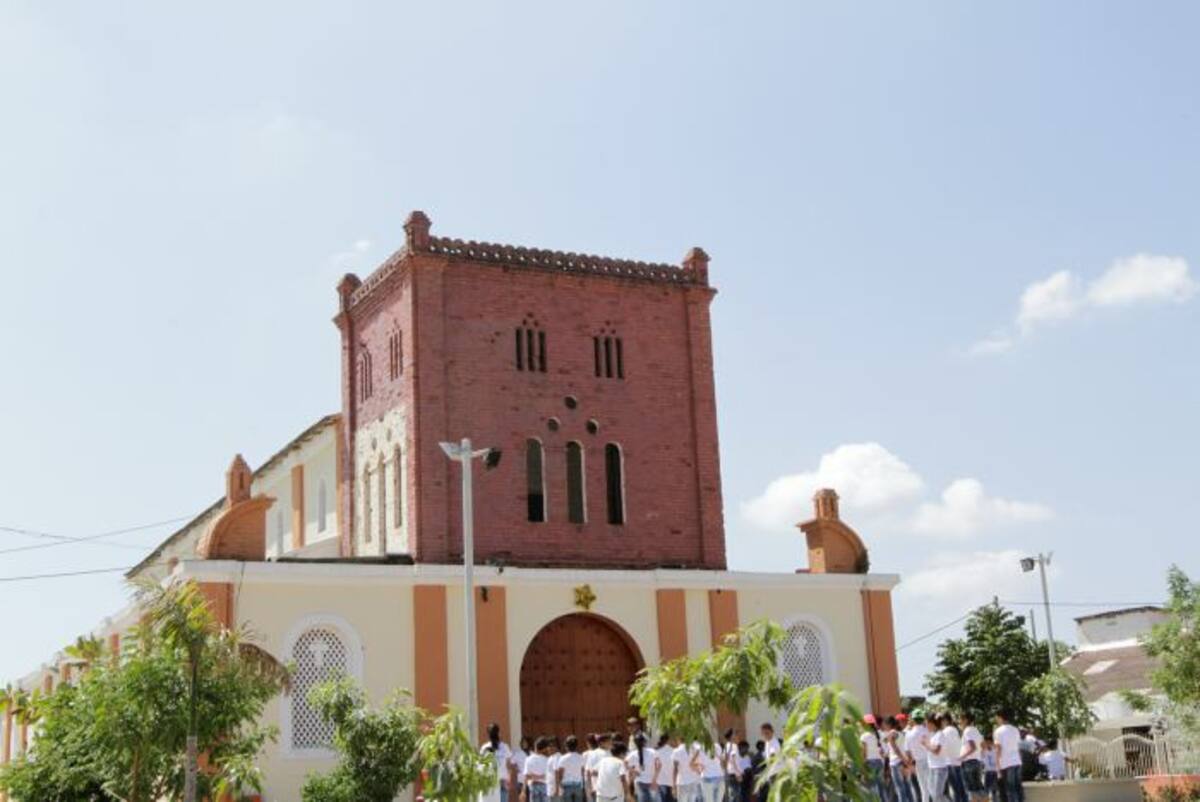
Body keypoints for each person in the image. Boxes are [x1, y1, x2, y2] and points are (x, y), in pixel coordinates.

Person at [992, 712, 1024, 802]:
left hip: (1006, 763)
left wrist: (997, 766)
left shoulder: (998, 731)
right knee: (1018, 789)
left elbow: (998, 749)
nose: (996, 720)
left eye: (997, 718)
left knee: (1010, 790)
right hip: (1017, 762)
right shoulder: (1015, 729)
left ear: (1001, 718)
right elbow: (1018, 747)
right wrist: (1020, 761)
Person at [482, 723, 517, 802]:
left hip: (494, 782)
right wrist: (509, 780)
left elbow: (482, 767)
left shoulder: (485, 748)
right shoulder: (504, 747)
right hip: (499, 782)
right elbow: (509, 766)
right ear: (499, 733)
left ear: (488, 734)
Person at [883, 716, 914, 802]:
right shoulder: (900, 733)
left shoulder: (892, 733)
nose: (883, 726)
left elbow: (895, 748)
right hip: (902, 762)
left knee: (900, 788)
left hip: (896, 763)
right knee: (906, 786)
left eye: (884, 724)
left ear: (888, 724)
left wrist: (903, 759)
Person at [939, 714, 966, 802]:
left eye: (941, 720)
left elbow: (944, 748)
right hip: (958, 762)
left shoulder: (945, 731)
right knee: (961, 789)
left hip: (950, 763)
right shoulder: (955, 730)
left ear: (945, 720)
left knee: (956, 790)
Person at [628, 731, 662, 802]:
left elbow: (625, 763)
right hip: (652, 781)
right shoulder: (652, 752)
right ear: (645, 742)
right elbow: (659, 765)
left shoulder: (632, 754)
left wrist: (634, 771)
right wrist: (654, 779)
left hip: (640, 781)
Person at [860, 715, 887, 802]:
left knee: (872, 788)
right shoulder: (880, 735)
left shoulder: (864, 736)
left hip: (869, 763)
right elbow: (883, 752)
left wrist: (862, 765)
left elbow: (864, 753)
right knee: (881, 787)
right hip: (879, 762)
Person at [959, 714, 984, 802]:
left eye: (960, 719)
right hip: (977, 761)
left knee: (971, 790)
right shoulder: (976, 730)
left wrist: (961, 757)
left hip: (969, 762)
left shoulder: (967, 731)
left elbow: (973, 747)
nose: (959, 722)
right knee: (979, 788)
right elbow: (982, 745)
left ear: (965, 720)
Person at [906, 711, 931, 802]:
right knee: (932, 788)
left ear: (913, 719)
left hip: (918, 762)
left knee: (923, 789)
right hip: (929, 760)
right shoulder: (927, 730)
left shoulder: (909, 734)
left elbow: (908, 752)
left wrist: (910, 765)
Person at [673, 735, 702, 802]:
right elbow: (698, 764)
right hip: (693, 781)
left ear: (679, 740)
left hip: (682, 782)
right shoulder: (694, 750)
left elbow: (675, 769)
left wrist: (673, 785)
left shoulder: (676, 751)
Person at [927, 715, 949, 802]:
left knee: (937, 795)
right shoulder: (933, 735)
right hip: (932, 767)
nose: (926, 726)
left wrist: (926, 744)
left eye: (927, 724)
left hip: (940, 768)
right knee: (934, 795)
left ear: (932, 724)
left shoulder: (940, 734)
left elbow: (936, 750)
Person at [586, 733, 613, 802]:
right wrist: (590, 787)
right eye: (609, 742)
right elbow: (589, 771)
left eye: (611, 741)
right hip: (598, 787)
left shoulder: (612, 753)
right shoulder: (593, 753)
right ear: (601, 743)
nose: (611, 743)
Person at [559, 736, 586, 802]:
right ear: (576, 746)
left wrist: (559, 784)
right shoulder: (581, 757)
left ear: (566, 746)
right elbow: (583, 772)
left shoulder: (563, 758)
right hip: (578, 785)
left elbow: (561, 773)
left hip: (567, 786)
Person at [527, 737, 552, 802]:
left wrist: (535, 777)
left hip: (533, 785)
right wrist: (541, 776)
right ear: (544, 749)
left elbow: (527, 776)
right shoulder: (548, 760)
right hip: (545, 786)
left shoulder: (529, 759)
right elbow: (549, 776)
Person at [656, 734, 677, 802]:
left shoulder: (657, 752)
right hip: (672, 782)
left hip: (660, 782)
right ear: (668, 740)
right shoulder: (674, 752)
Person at [980, 738, 998, 802]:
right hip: (987, 771)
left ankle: (994, 800)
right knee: (986, 789)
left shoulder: (995, 750)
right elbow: (982, 761)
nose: (987, 744)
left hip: (994, 771)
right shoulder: (984, 751)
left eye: (989, 743)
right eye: (986, 743)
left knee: (994, 789)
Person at [548, 737, 563, 802]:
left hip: (555, 790)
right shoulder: (552, 757)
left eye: (552, 746)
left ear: (557, 746)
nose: (550, 748)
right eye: (549, 746)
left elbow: (557, 772)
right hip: (551, 789)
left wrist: (557, 789)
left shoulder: (557, 756)